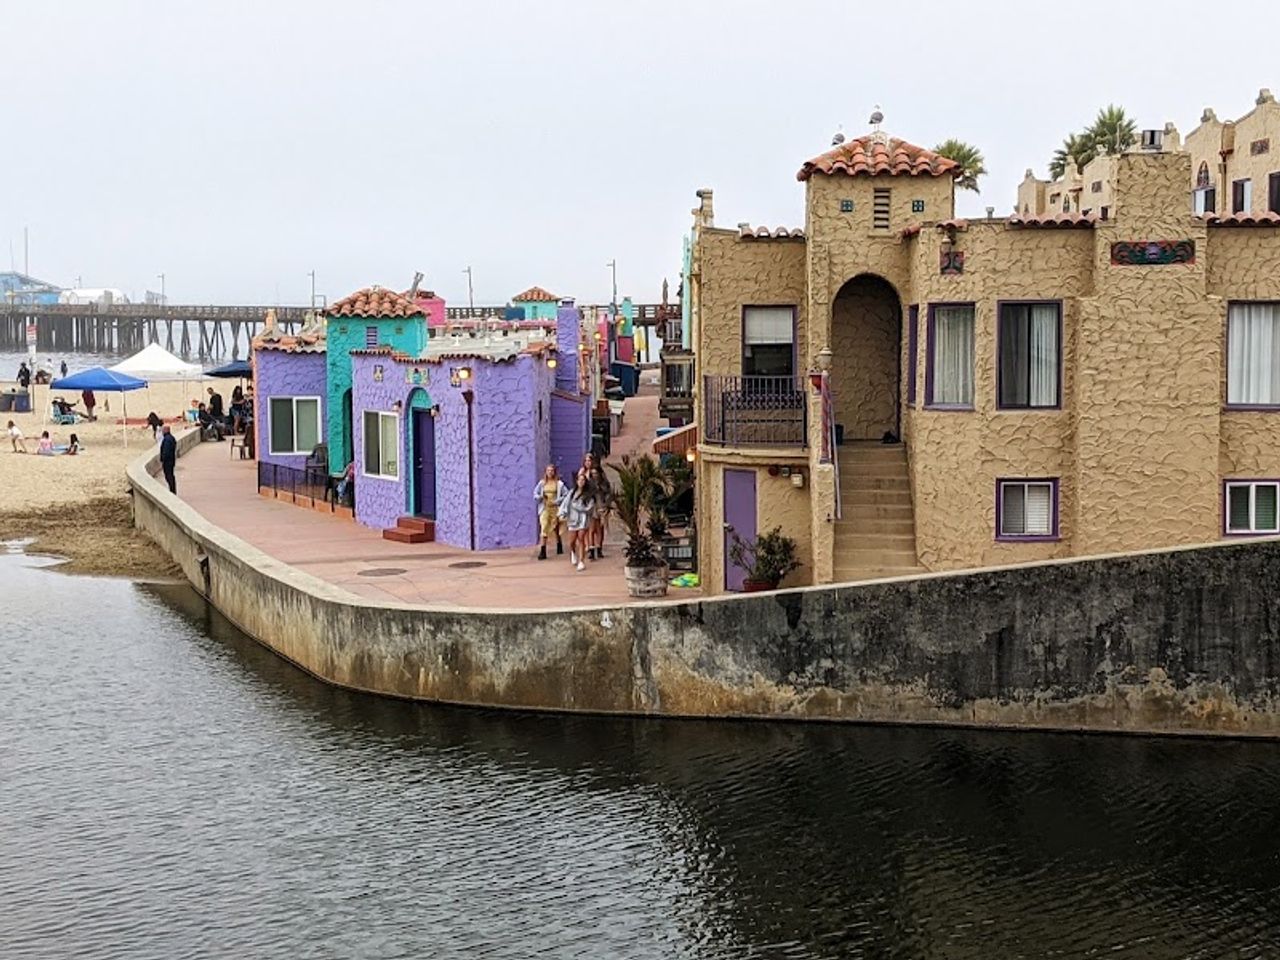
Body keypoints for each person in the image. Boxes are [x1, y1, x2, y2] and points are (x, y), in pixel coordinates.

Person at [559, 470, 596, 572]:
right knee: (571, 541)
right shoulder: (572, 493)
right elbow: (566, 504)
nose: (581, 482)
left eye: (583, 480)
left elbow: (589, 508)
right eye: (579, 480)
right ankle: (573, 552)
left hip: (583, 520)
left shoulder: (588, 495)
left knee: (581, 538)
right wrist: (562, 513)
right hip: (572, 519)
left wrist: (579, 508)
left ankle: (581, 561)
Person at [533, 464, 568, 560]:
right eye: (548, 470)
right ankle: (543, 550)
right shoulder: (542, 483)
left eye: (552, 470)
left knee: (555, 526)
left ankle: (558, 542)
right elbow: (535, 493)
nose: (550, 472)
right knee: (544, 527)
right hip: (545, 508)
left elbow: (566, 494)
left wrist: (558, 501)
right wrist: (540, 497)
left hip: (555, 508)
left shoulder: (559, 484)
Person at [587, 463, 612, 560]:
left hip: (602, 505)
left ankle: (599, 548)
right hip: (592, 507)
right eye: (592, 473)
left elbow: (609, 494)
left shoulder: (604, 483)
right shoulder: (589, 483)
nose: (594, 475)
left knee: (600, 529)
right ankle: (591, 549)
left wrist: (607, 505)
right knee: (591, 529)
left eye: (596, 473)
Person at [159, 425, 177, 494]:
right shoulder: (171, 438)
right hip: (171, 460)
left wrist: (163, 459)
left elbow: (166, 451)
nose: (162, 432)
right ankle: (172, 489)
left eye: (163, 430)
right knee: (170, 475)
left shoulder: (167, 439)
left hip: (168, 461)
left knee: (169, 476)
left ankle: (172, 490)